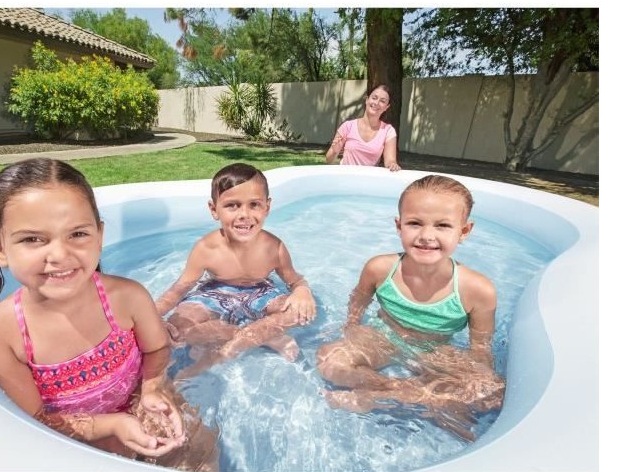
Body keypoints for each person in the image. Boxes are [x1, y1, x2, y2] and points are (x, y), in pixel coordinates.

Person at [0, 158, 218, 471]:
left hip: (146, 406)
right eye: (32, 239)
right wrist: (113, 425)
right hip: (79, 445)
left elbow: (156, 349)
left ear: (99, 236)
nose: (60, 255)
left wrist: (153, 388)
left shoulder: (127, 297)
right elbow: (35, 420)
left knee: (199, 455)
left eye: (77, 234)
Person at [316, 174, 504, 440]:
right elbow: (359, 300)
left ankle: (375, 396)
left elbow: (481, 347)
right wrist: (351, 328)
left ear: (464, 232)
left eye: (442, 226)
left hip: (435, 350)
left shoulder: (477, 289)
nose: (426, 236)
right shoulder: (380, 268)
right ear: (399, 225)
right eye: (415, 223)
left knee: (491, 393)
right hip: (383, 337)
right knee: (328, 360)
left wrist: (475, 377)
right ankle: (405, 392)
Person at [155, 163, 317, 379]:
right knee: (179, 326)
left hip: (260, 292)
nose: (244, 215)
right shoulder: (206, 248)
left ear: (267, 207)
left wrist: (302, 291)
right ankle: (263, 336)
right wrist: (152, 316)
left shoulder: (274, 248)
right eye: (232, 205)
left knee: (298, 313)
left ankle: (234, 343)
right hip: (215, 293)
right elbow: (180, 288)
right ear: (214, 209)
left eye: (254, 205)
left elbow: (294, 280)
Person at [325, 83, 401, 171]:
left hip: (368, 178)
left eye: (382, 101)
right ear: (367, 100)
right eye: (374, 98)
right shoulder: (347, 126)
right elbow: (328, 160)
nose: (376, 103)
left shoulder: (388, 131)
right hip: (345, 177)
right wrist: (334, 151)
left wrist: (392, 164)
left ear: (386, 107)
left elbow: (390, 160)